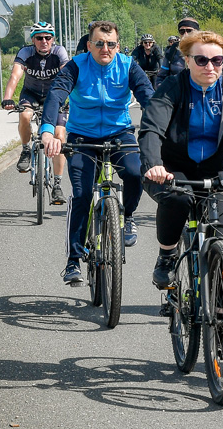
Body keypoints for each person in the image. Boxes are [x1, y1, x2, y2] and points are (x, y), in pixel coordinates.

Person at [139, 30, 223, 290]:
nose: (210, 67)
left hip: (219, 172)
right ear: (187, 61)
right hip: (174, 171)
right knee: (177, 199)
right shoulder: (172, 88)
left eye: (217, 60)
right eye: (201, 60)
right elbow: (152, 128)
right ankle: (167, 255)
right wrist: (154, 164)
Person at [41, 21, 154, 285]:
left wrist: (162, 129)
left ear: (118, 46)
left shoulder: (128, 65)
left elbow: (148, 97)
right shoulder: (76, 66)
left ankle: (128, 216)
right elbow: (56, 95)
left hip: (119, 133)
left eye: (111, 44)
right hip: (82, 135)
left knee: (135, 173)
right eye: (100, 43)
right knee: (82, 194)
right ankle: (73, 260)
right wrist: (47, 131)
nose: (106, 48)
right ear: (89, 45)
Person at [0, 22, 69, 204]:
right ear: (33, 40)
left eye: (48, 37)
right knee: (24, 115)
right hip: (31, 93)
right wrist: (7, 98)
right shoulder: (26, 52)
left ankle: (57, 185)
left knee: (59, 136)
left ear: (53, 39)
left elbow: (67, 76)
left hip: (54, 96)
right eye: (39, 38)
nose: (44, 41)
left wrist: (75, 100)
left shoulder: (59, 52)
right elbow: (15, 75)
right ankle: (25, 150)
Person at [159, 18, 199, 85]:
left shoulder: (206, 50)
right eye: (182, 31)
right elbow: (161, 77)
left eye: (189, 31)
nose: (185, 34)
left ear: (197, 32)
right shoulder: (172, 50)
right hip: (176, 89)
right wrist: (162, 88)